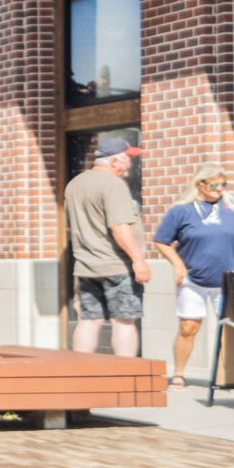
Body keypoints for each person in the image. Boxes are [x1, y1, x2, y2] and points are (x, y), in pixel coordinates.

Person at [150, 169, 234, 388]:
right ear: (200, 185)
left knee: (232, 329)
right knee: (188, 327)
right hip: (192, 279)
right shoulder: (182, 211)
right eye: (214, 185)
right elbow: (161, 240)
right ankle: (179, 373)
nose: (219, 189)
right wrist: (177, 264)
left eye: (223, 185)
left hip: (227, 279)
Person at [64, 135, 150, 356]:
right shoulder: (113, 184)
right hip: (117, 266)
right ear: (113, 161)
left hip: (86, 266)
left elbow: (72, 225)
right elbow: (118, 226)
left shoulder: (74, 184)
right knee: (124, 321)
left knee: (89, 320)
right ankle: (125, 372)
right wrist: (138, 260)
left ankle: (82, 370)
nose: (130, 164)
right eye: (127, 159)